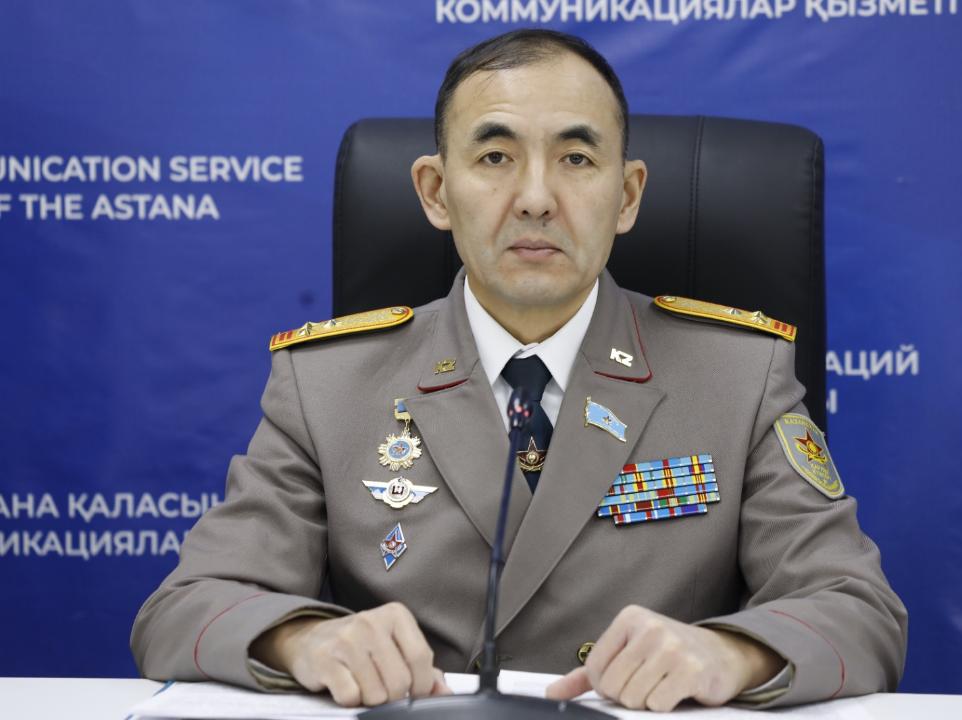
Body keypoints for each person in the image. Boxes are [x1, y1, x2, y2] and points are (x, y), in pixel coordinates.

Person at [131, 29, 906, 713]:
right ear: (436, 191)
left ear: (626, 195)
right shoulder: (329, 384)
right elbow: (185, 608)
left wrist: (732, 654)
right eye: (495, 157)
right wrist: (302, 640)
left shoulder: (736, 375)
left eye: (576, 158)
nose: (535, 198)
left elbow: (857, 609)